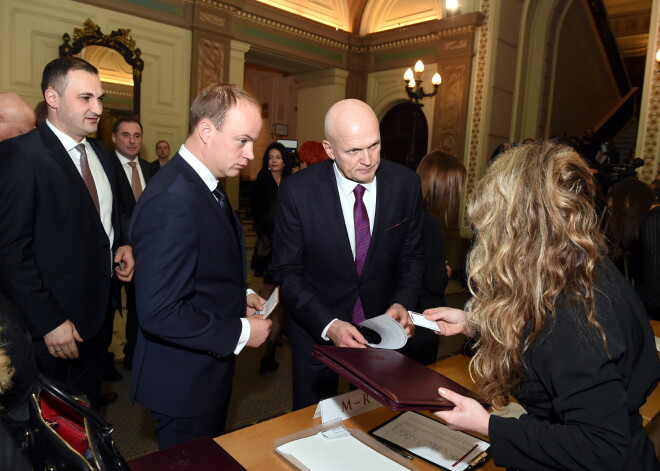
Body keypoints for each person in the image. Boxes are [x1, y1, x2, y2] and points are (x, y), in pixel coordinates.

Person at [424, 141, 659, 470]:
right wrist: (474, 322)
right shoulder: (581, 265)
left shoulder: (572, 315)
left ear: (516, 225)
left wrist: (487, 425)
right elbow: (543, 337)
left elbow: (604, 447)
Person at [129, 83, 272, 449]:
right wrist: (242, 332)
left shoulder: (203, 183)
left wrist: (240, 293)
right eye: (242, 140)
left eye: (253, 142)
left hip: (202, 372)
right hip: (184, 383)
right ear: (206, 130)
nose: (251, 154)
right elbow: (160, 312)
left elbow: (201, 263)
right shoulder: (174, 200)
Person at [272, 98, 424, 410]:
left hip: (384, 332)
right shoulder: (297, 192)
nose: (368, 159)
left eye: (374, 145)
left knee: (378, 419)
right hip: (317, 329)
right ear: (329, 150)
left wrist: (402, 302)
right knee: (312, 424)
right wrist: (329, 324)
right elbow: (287, 273)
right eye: (353, 151)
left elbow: (413, 256)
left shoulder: (405, 184)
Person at [0, 56, 134, 409]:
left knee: (85, 416)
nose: (98, 108)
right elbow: (11, 249)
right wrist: (49, 321)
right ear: (53, 98)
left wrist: (124, 244)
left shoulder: (102, 154)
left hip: (99, 317)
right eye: (85, 98)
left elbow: (109, 218)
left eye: (100, 98)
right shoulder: (21, 155)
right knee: (46, 429)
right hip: (53, 329)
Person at [401, 151, 466, 365]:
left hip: (402, 311)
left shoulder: (404, 212)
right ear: (444, 189)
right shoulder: (430, 223)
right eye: (457, 186)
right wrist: (445, 271)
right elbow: (435, 281)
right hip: (423, 319)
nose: (459, 193)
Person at [110, 117, 157, 371]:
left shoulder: (151, 169)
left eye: (137, 135)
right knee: (110, 311)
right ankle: (106, 364)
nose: (131, 140)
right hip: (116, 253)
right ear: (115, 137)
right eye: (126, 135)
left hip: (150, 254)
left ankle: (134, 356)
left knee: (142, 306)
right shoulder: (106, 167)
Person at [251, 142, 292, 374]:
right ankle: (267, 341)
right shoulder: (262, 182)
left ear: (284, 161)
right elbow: (258, 216)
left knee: (283, 299)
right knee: (270, 300)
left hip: (288, 248)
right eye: (270, 157)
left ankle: (270, 348)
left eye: (278, 157)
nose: (273, 161)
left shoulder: (291, 182)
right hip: (268, 248)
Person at [606, 178, 660, 319]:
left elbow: (653, 294)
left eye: (613, 210)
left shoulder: (654, 219)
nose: (612, 217)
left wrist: (606, 301)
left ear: (627, 201)